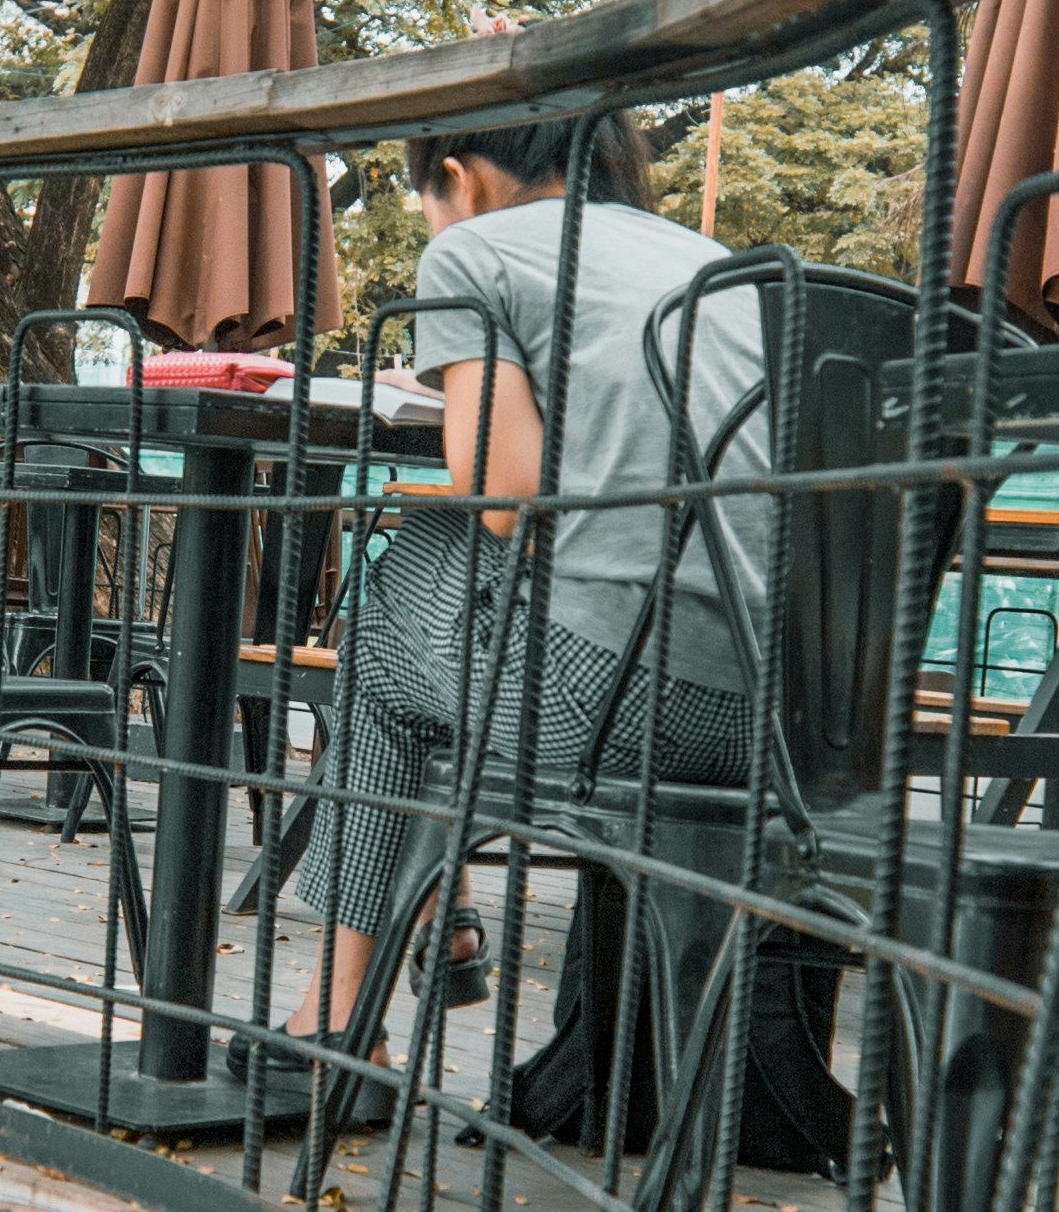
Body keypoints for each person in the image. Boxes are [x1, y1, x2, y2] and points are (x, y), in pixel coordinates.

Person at [297, 102, 757, 1067]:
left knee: (401, 603)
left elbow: (505, 496)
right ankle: (440, 908)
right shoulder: (711, 261)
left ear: (457, 179)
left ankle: (340, 1012)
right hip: (788, 724)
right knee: (450, 599)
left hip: (619, 705)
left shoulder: (480, 251)